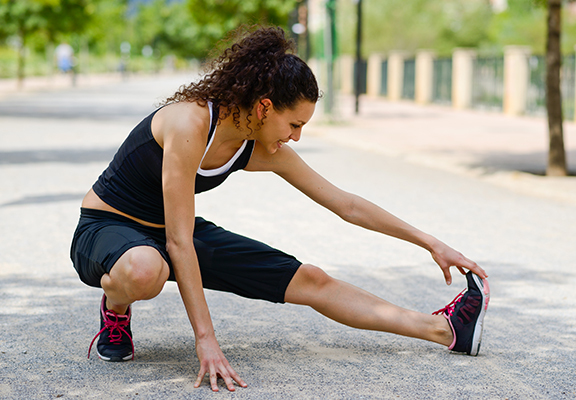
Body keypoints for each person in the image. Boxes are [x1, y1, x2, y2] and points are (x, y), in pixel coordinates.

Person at [70, 26, 490, 392]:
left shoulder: (259, 146)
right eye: (295, 125)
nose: (297, 137)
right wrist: (206, 339)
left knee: (312, 279)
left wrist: (430, 243)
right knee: (146, 269)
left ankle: (444, 329)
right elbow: (179, 241)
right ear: (264, 106)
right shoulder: (189, 124)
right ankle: (116, 308)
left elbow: (345, 203)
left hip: (171, 232)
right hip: (108, 228)